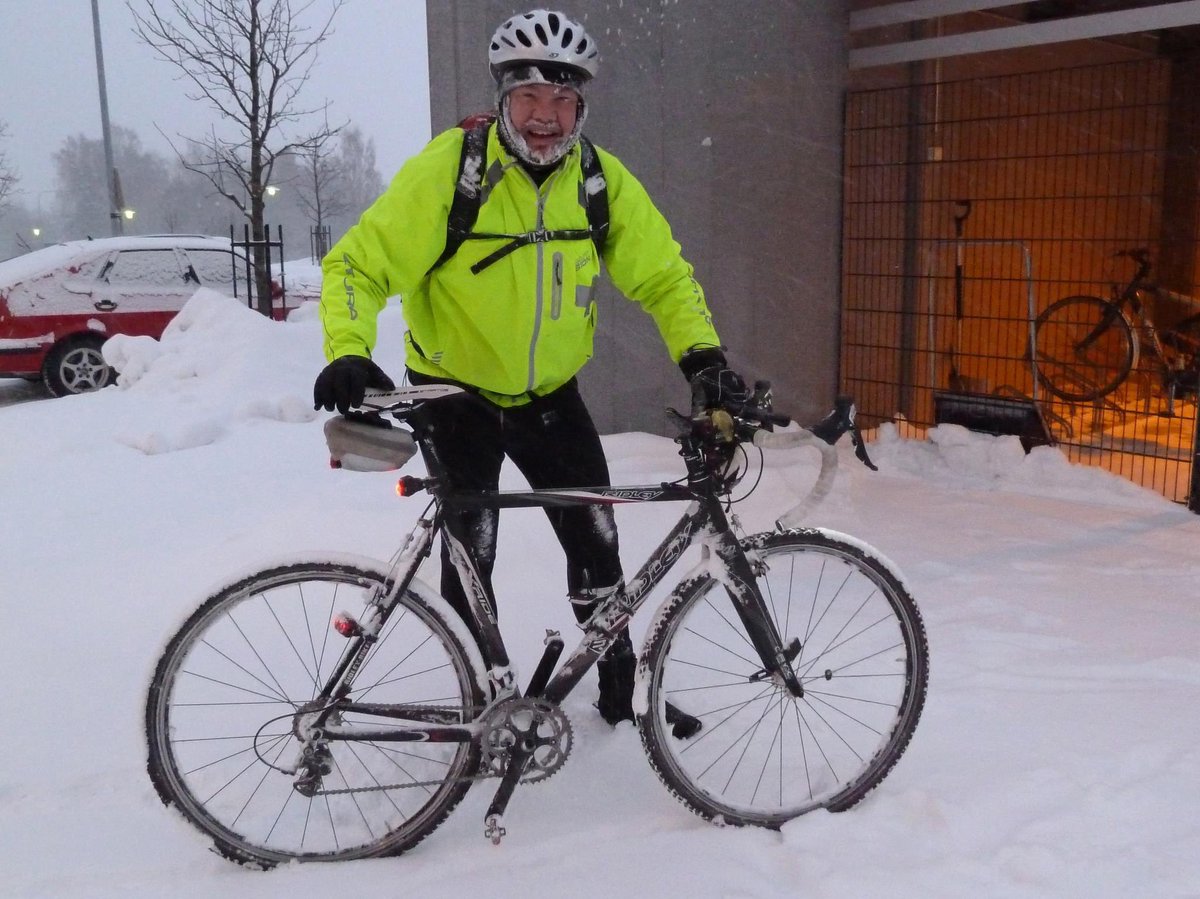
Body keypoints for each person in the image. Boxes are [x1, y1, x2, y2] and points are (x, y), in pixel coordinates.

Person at [313, 8, 746, 725]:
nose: (546, 117)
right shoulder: (454, 172)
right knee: (469, 557)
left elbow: (664, 276)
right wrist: (350, 348)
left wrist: (701, 354)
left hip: (549, 396)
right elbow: (358, 264)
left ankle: (622, 689)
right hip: (456, 396)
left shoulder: (600, 183)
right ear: (503, 97)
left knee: (595, 542)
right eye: (529, 99)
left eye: (563, 100)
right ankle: (481, 705)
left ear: (581, 106)